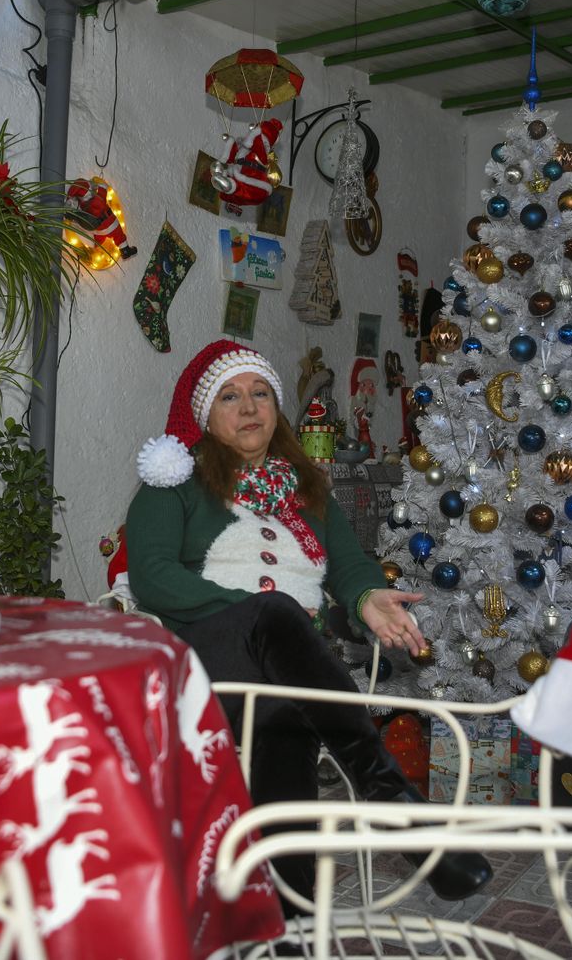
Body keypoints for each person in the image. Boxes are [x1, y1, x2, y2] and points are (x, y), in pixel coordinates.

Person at [126, 340, 492, 910]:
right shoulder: (174, 484)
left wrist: (368, 597)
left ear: (277, 408)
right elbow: (150, 576)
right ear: (206, 415)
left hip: (278, 674)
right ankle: (399, 811)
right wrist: (252, 611)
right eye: (231, 396)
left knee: (285, 718)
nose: (249, 408)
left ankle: (289, 921)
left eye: (260, 394)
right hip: (199, 663)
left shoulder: (309, 490)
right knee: (276, 616)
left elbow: (348, 564)